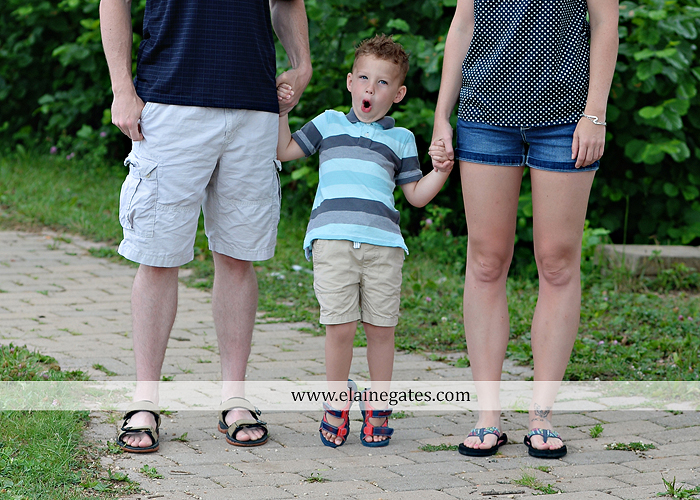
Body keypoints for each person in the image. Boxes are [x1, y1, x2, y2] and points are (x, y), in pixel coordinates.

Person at [99, 0, 312, 453]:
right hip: (170, 102)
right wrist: (122, 87)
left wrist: (302, 65)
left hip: (254, 108)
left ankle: (234, 397)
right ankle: (145, 401)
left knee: (238, 258)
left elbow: (288, 2)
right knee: (157, 257)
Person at [431, 0, 619, 458]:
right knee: (486, 260)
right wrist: (442, 114)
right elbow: (463, 23)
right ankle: (488, 416)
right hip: (484, 113)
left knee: (556, 262)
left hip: (569, 116)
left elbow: (605, 25)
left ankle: (542, 415)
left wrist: (596, 112)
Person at [277, 34, 453, 448]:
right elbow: (283, 150)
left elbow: (415, 196)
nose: (371, 89)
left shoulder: (402, 139)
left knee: (381, 329)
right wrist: (283, 111)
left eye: (383, 83)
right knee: (339, 328)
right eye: (364, 78)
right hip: (333, 242)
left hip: (384, 247)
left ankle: (379, 405)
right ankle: (336, 403)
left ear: (399, 93)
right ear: (350, 83)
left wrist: (442, 171)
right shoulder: (327, 123)